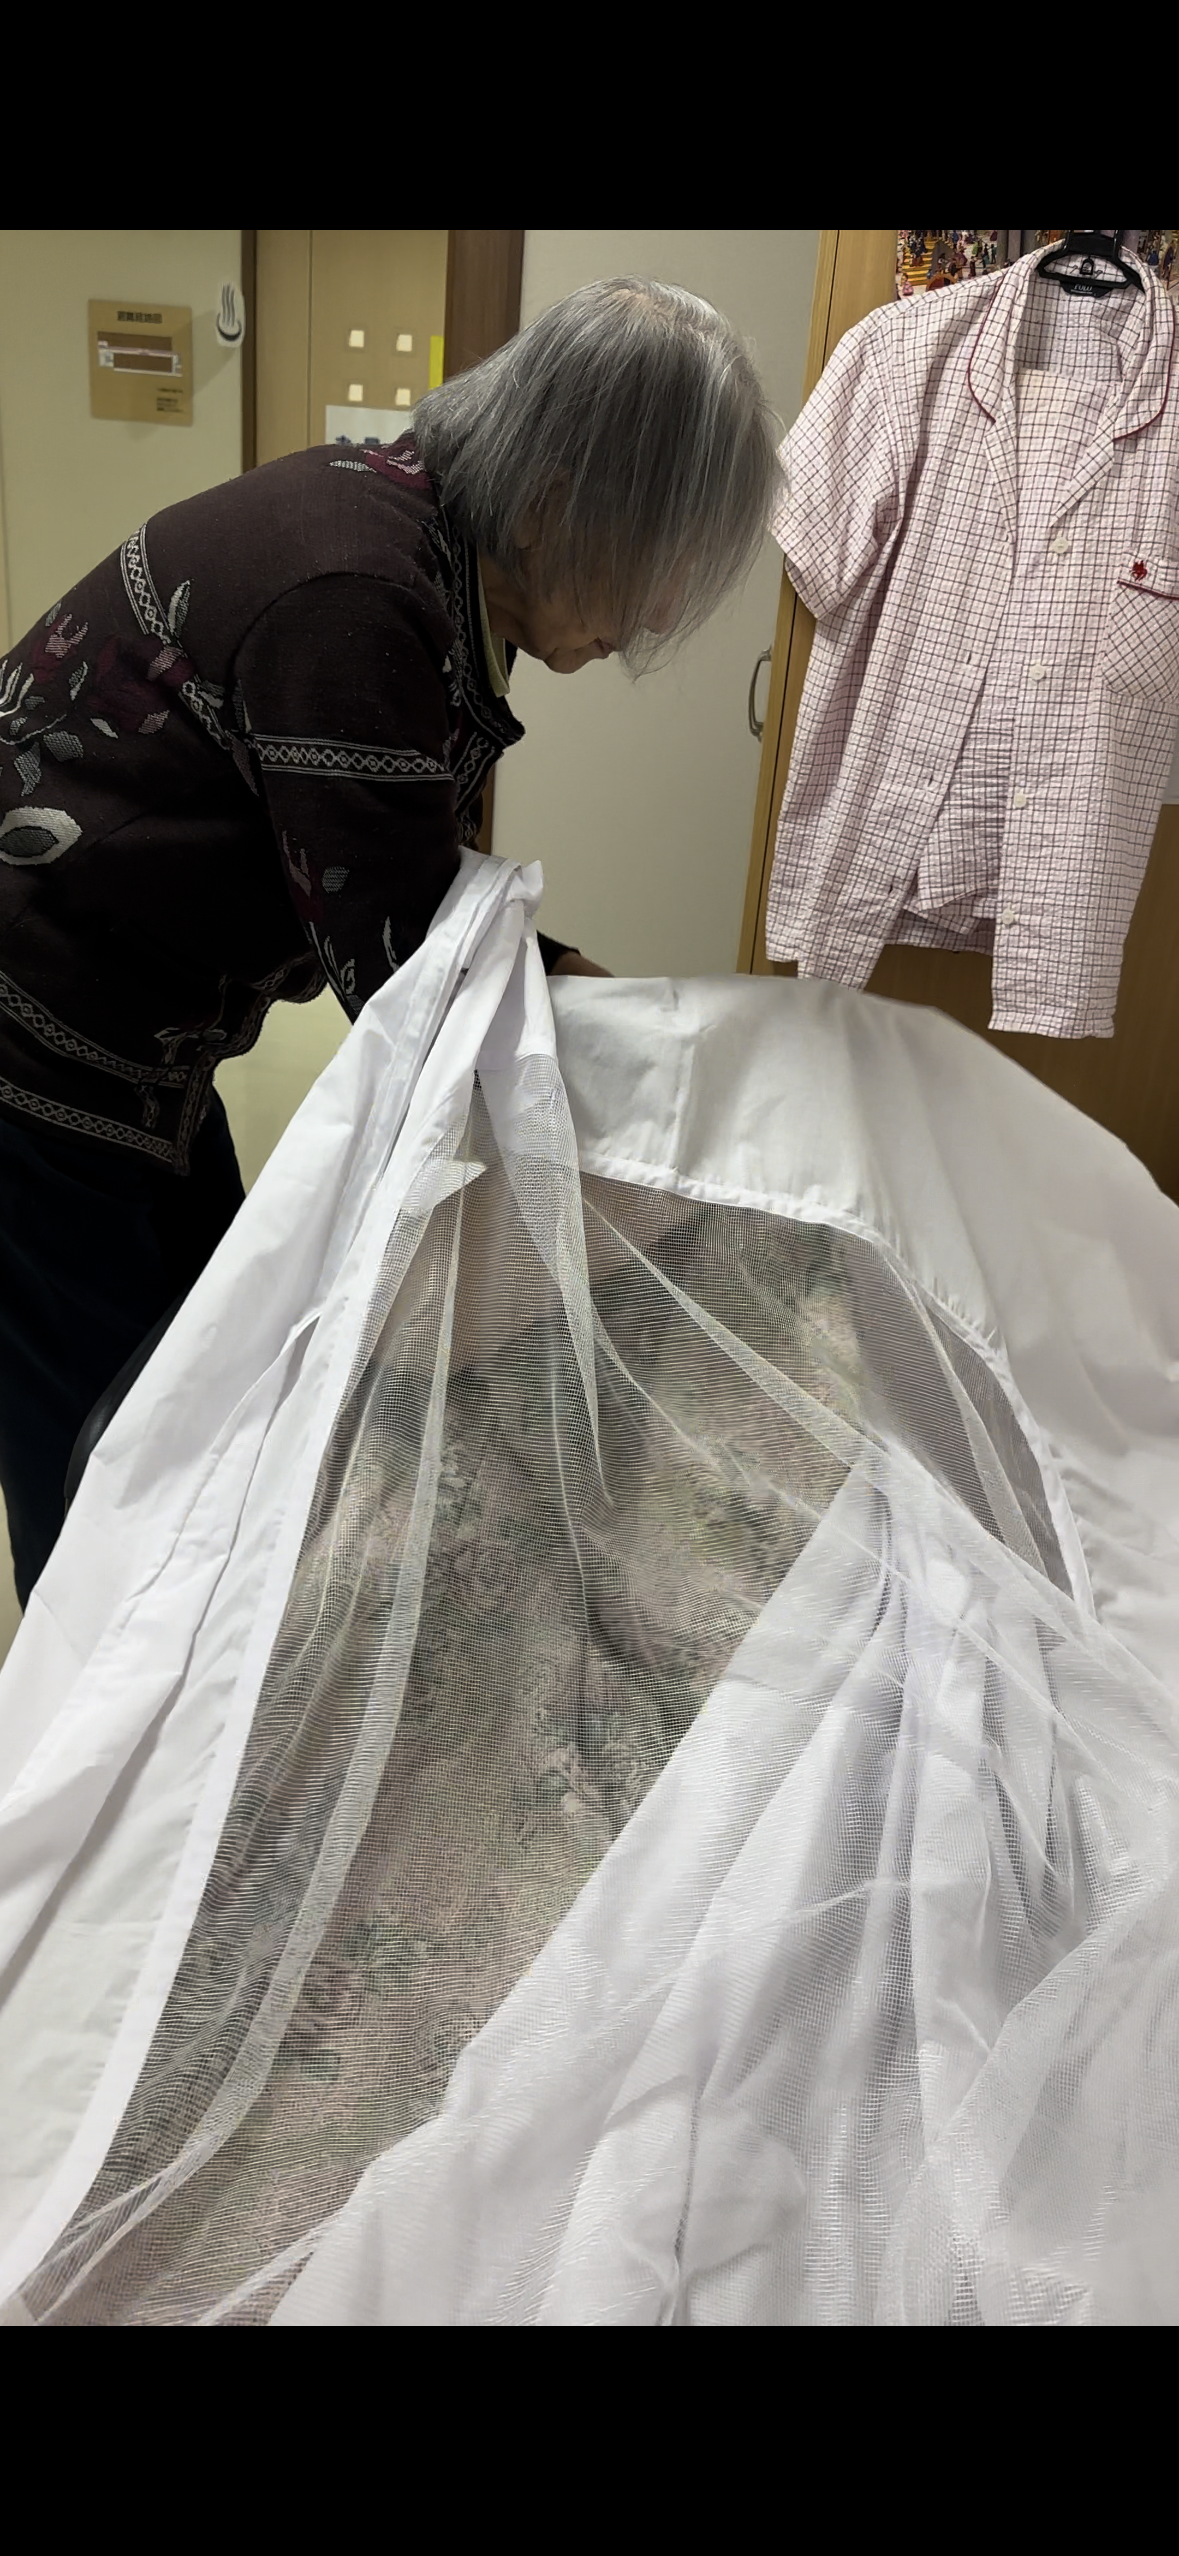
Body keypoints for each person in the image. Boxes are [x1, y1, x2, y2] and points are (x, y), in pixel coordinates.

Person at [0, 275, 779, 1610]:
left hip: (138, 1037)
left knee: (189, 1375)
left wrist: (599, 1008)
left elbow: (404, 861)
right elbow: (407, 968)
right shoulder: (353, 597)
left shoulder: (427, 548)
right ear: (558, 498)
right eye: (653, 565)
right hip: (41, 1044)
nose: (651, 620)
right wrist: (624, 1061)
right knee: (106, 1445)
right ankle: (90, 1717)